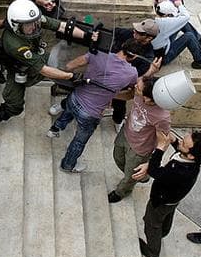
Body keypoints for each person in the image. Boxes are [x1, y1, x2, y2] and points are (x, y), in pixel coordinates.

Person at [0, 0, 95, 124]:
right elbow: (43, 70)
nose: (34, 27)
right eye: (28, 25)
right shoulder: (14, 44)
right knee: (14, 102)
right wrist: (71, 76)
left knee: (62, 65)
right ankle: (6, 111)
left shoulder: (34, 20)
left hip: (37, 56)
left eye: (34, 22)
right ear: (16, 25)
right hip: (20, 66)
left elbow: (62, 26)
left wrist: (86, 36)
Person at [47, 39, 142, 173]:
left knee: (67, 112)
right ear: (135, 56)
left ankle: (54, 130)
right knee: (79, 141)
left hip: (76, 97)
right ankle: (68, 165)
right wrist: (109, 94)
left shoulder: (98, 54)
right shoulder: (132, 73)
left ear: (122, 46)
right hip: (90, 113)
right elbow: (128, 95)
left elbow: (71, 65)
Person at [132, 129, 201, 257]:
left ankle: (153, 252)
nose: (181, 143)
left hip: (161, 201)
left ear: (191, 155)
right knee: (167, 216)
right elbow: (179, 149)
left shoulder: (180, 171)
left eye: (184, 144)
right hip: (173, 199)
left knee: (151, 223)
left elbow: (154, 171)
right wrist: (174, 141)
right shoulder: (194, 159)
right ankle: (164, 232)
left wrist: (160, 148)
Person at [107, 74, 168, 203]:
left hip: (140, 149)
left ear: (148, 99)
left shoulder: (162, 117)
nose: (135, 87)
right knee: (118, 158)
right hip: (125, 134)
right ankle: (143, 177)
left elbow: (163, 141)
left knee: (130, 175)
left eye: (138, 89)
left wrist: (150, 163)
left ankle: (121, 191)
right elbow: (129, 95)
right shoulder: (139, 94)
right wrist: (112, 95)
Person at [152, 0, 201, 70]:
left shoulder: (155, 19)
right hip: (164, 57)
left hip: (163, 43)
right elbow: (186, 17)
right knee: (189, 36)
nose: (172, 17)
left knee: (182, 23)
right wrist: (180, 5)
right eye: (171, 15)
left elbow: (181, 20)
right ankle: (200, 62)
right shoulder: (164, 23)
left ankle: (199, 40)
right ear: (165, 15)